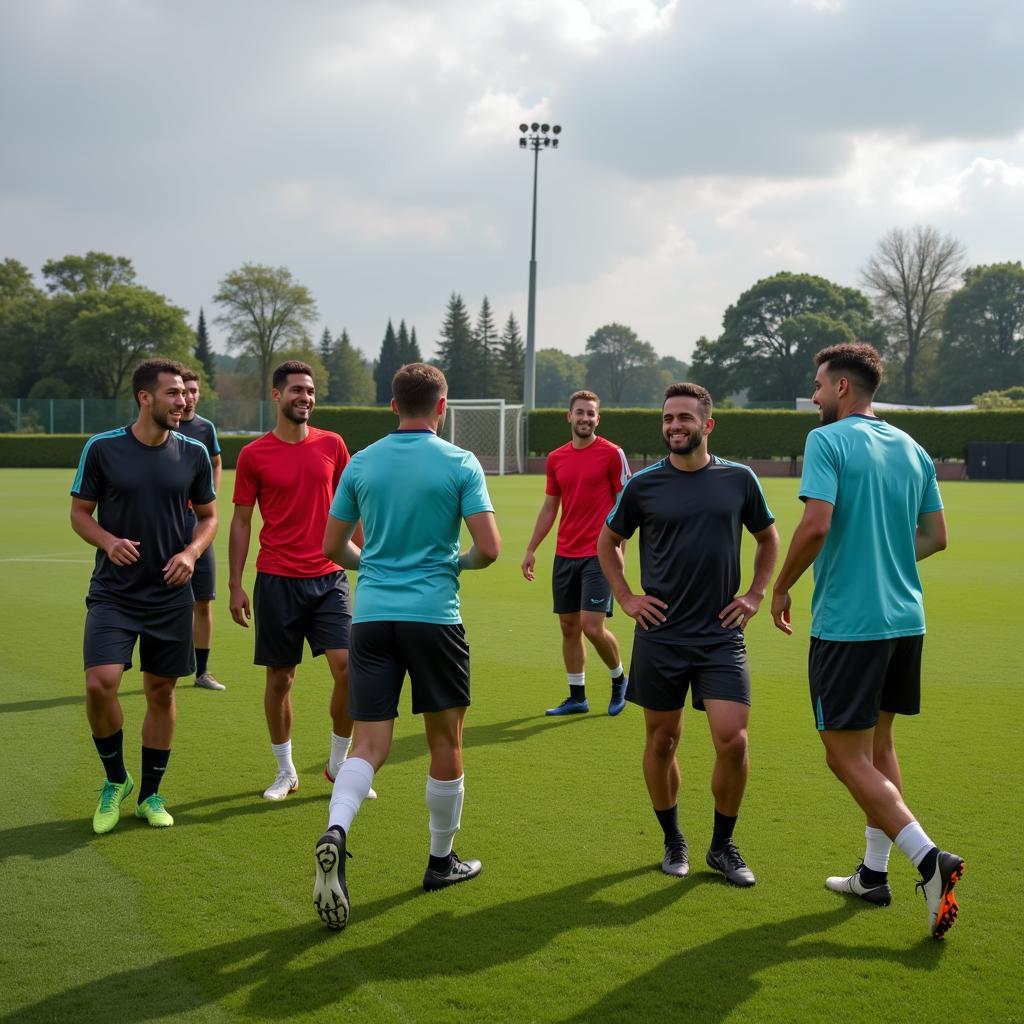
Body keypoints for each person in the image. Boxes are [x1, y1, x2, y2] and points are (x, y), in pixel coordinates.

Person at [770, 343, 963, 940]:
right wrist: (887, 561)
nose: (816, 395)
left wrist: (779, 589)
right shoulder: (912, 447)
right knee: (880, 745)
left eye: (820, 386)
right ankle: (872, 876)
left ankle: (931, 861)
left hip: (849, 626)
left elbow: (816, 523)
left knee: (842, 754)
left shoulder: (826, 442)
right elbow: (936, 536)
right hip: (906, 620)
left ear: (843, 389)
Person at [312, 363, 500, 931]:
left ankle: (338, 829)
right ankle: (441, 862)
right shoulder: (460, 462)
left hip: (371, 617)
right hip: (434, 617)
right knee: (446, 739)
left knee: (368, 744)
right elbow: (488, 548)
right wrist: (454, 563)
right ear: (441, 407)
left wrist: (373, 563)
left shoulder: (362, 462)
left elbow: (332, 545)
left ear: (393, 405)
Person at [597, 382, 778, 885]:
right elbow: (608, 540)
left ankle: (722, 846)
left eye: (684, 418)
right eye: (668, 418)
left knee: (733, 741)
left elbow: (768, 538)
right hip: (661, 634)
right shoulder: (644, 484)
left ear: (707, 424)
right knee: (662, 741)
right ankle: (673, 838)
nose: (675, 426)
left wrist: (756, 594)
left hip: (721, 635)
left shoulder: (739, 480)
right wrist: (628, 598)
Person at [71, 358, 217, 834]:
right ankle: (116, 781)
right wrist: (107, 541)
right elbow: (80, 513)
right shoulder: (103, 448)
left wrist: (193, 554)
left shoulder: (193, 452)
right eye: (173, 393)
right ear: (145, 397)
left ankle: (151, 793)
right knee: (100, 683)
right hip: (114, 594)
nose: (184, 401)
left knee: (161, 691)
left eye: (185, 393)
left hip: (170, 594)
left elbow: (208, 516)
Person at [228, 360, 372, 801]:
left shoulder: (333, 444)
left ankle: (337, 765)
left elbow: (353, 506)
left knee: (348, 669)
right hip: (276, 579)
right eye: (296, 390)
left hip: (329, 577)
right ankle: (286, 770)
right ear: (277, 395)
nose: (305, 398)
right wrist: (235, 584)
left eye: (309, 391)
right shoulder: (253, 454)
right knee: (280, 679)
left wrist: (368, 561)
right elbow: (240, 521)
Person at [521, 390, 631, 716]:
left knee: (592, 626)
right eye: (579, 412)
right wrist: (531, 548)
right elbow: (549, 508)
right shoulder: (556, 458)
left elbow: (626, 504)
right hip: (564, 553)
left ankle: (619, 679)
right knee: (569, 627)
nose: (585, 418)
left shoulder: (612, 454)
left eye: (591, 414)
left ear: (598, 418)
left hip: (600, 554)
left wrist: (620, 550)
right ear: (569, 417)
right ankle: (577, 697)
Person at [176, 367, 225, 691]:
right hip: (166, 523)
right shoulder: (163, 426)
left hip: (198, 523)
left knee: (203, 600)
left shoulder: (205, 429)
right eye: (184, 391)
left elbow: (216, 461)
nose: (189, 397)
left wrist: (211, 493)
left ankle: (202, 672)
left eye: (194, 391)